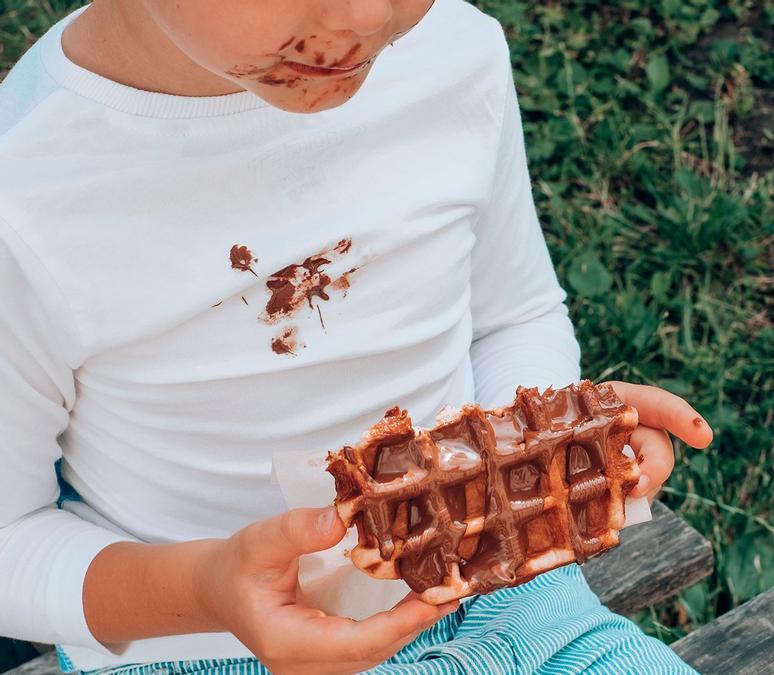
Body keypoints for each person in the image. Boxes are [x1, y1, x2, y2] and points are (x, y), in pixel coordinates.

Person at [0, 1, 713, 673]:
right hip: (198, 640)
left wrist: (543, 446)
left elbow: (512, 316)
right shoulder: (27, 192)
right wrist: (209, 588)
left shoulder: (454, 55)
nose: (370, 16)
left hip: (510, 595)